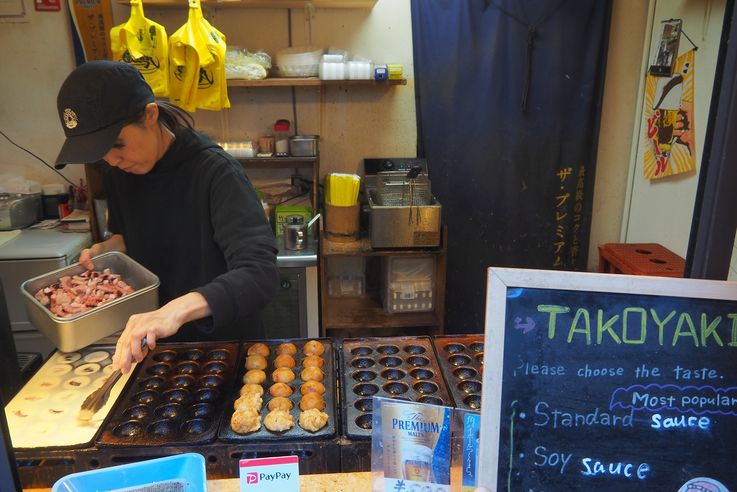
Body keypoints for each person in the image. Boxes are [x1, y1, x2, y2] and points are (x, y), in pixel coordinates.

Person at [53, 60, 279, 373]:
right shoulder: (120, 171)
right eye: (99, 152)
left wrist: (174, 310)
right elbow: (133, 235)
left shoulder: (215, 172)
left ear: (150, 115)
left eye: (116, 144)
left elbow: (260, 274)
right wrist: (109, 251)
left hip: (226, 352)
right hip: (157, 352)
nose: (113, 160)